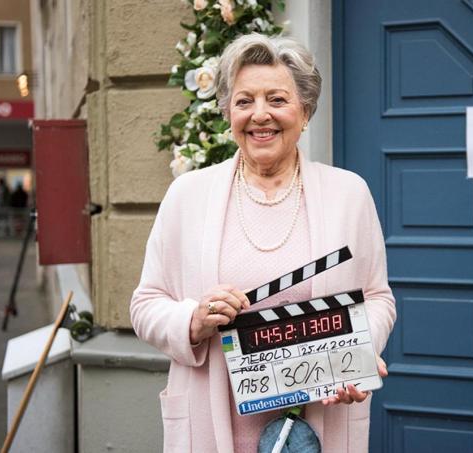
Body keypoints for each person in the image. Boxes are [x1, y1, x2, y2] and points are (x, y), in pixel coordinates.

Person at [131, 33, 396, 453]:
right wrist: (193, 321)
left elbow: (378, 298)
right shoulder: (187, 195)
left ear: (305, 110)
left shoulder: (350, 194)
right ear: (227, 112)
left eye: (277, 99)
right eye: (244, 101)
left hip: (319, 424)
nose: (260, 115)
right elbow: (145, 304)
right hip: (210, 425)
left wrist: (355, 355)